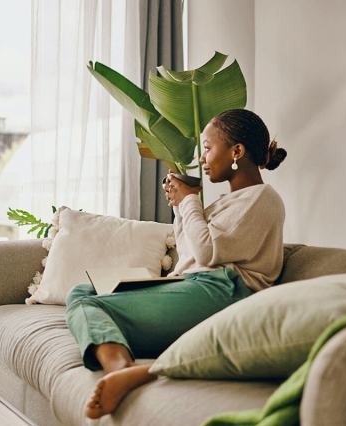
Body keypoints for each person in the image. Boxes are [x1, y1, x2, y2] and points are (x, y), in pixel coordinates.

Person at [64, 108, 288, 419]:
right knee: (81, 293)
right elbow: (190, 255)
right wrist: (181, 209)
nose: (204, 159)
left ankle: (121, 370)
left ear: (236, 151)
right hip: (196, 285)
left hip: (227, 292)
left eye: (208, 148)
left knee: (96, 307)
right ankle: (122, 364)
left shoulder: (263, 199)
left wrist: (189, 201)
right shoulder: (226, 202)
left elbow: (208, 253)